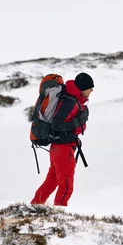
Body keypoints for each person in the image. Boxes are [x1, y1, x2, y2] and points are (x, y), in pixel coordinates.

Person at [30, 72, 94, 206]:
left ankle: (34, 206)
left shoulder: (72, 100)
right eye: (90, 88)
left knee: (51, 183)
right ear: (83, 88)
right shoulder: (70, 102)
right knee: (66, 187)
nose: (91, 90)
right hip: (63, 150)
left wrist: (78, 120)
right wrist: (77, 122)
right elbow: (57, 125)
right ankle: (59, 217)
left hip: (58, 149)